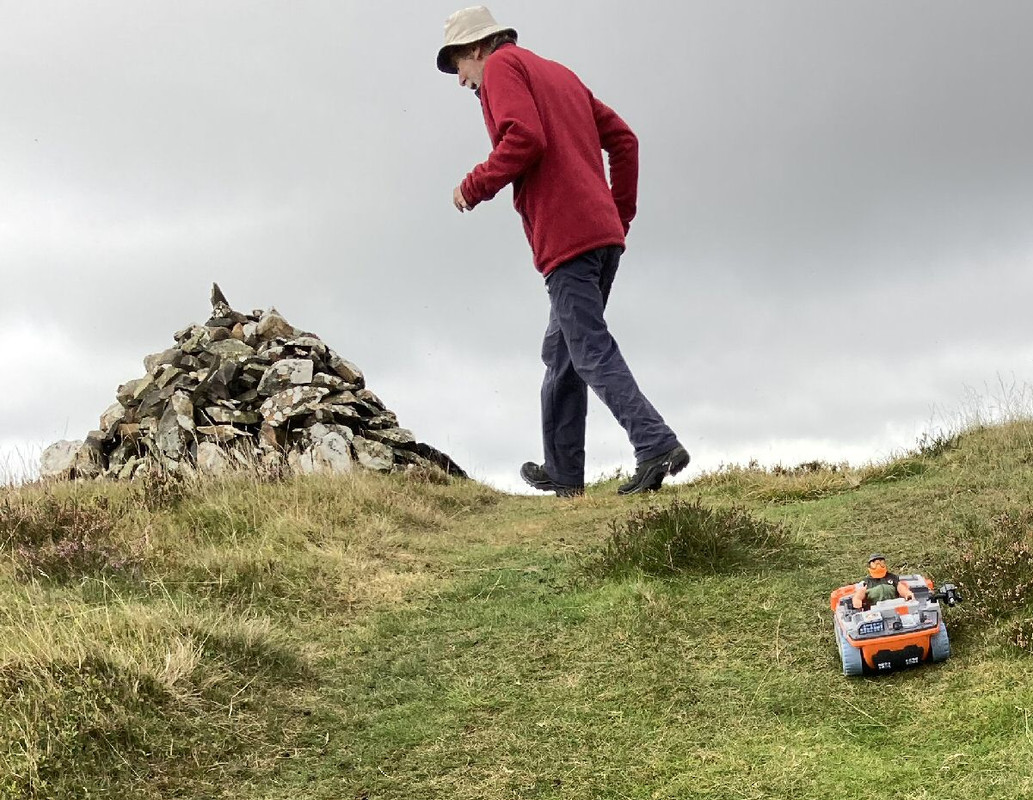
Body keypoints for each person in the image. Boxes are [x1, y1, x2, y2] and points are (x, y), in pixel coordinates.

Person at [436, 6, 689, 497]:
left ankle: (654, 442)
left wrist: (475, 185)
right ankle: (565, 471)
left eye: (458, 65)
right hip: (601, 235)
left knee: (588, 348)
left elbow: (524, 138)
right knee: (562, 352)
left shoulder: (502, 70)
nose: (462, 80)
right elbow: (625, 140)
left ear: (475, 49)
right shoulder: (558, 73)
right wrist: (619, 215)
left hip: (568, 238)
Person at [851, 553, 916, 609]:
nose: (878, 566)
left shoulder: (892, 577)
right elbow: (860, 592)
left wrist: (907, 594)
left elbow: (901, 588)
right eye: (875, 563)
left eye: (881, 563)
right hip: (875, 609)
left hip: (895, 605)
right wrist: (857, 600)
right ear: (870, 566)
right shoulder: (867, 581)